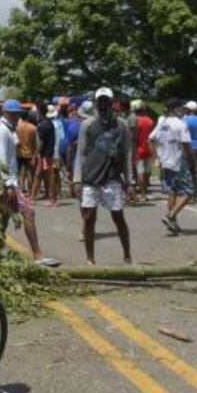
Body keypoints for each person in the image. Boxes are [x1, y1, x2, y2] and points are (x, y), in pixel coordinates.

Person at [0, 101, 59, 267]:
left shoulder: (8, 130)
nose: (18, 117)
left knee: (3, 218)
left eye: (18, 114)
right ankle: (37, 255)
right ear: (7, 114)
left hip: (7, 181)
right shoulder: (2, 132)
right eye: (15, 114)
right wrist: (7, 185)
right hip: (7, 182)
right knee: (28, 213)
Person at [72, 87, 133, 265]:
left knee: (118, 216)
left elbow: (127, 154)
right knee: (89, 218)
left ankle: (127, 255)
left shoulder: (122, 125)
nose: (103, 104)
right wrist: (77, 180)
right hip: (90, 178)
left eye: (107, 101)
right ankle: (90, 259)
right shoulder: (87, 124)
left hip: (112, 177)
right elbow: (80, 154)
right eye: (100, 101)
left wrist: (129, 183)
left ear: (112, 102)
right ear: (96, 102)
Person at [151, 98, 197, 235]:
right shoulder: (181, 124)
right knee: (189, 192)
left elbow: (151, 139)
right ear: (175, 109)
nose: (183, 111)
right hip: (178, 162)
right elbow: (187, 146)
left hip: (165, 162)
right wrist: (195, 163)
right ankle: (170, 216)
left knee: (172, 191)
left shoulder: (162, 123)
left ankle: (173, 223)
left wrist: (157, 157)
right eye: (181, 108)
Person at [33, 102, 58, 205]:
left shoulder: (43, 125)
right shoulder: (48, 123)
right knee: (38, 174)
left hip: (46, 154)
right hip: (46, 154)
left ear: (39, 111)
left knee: (50, 175)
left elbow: (41, 143)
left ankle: (53, 200)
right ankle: (32, 197)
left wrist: (34, 156)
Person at [131, 100, 156, 203]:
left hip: (138, 149)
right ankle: (145, 191)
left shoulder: (135, 121)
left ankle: (142, 194)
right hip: (149, 149)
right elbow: (153, 137)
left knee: (139, 173)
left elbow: (134, 137)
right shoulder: (150, 121)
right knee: (147, 172)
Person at [16, 107, 39, 193]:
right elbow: (37, 143)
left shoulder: (17, 127)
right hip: (30, 153)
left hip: (19, 153)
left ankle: (20, 190)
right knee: (30, 173)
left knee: (19, 173)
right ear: (28, 117)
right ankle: (30, 191)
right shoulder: (33, 128)